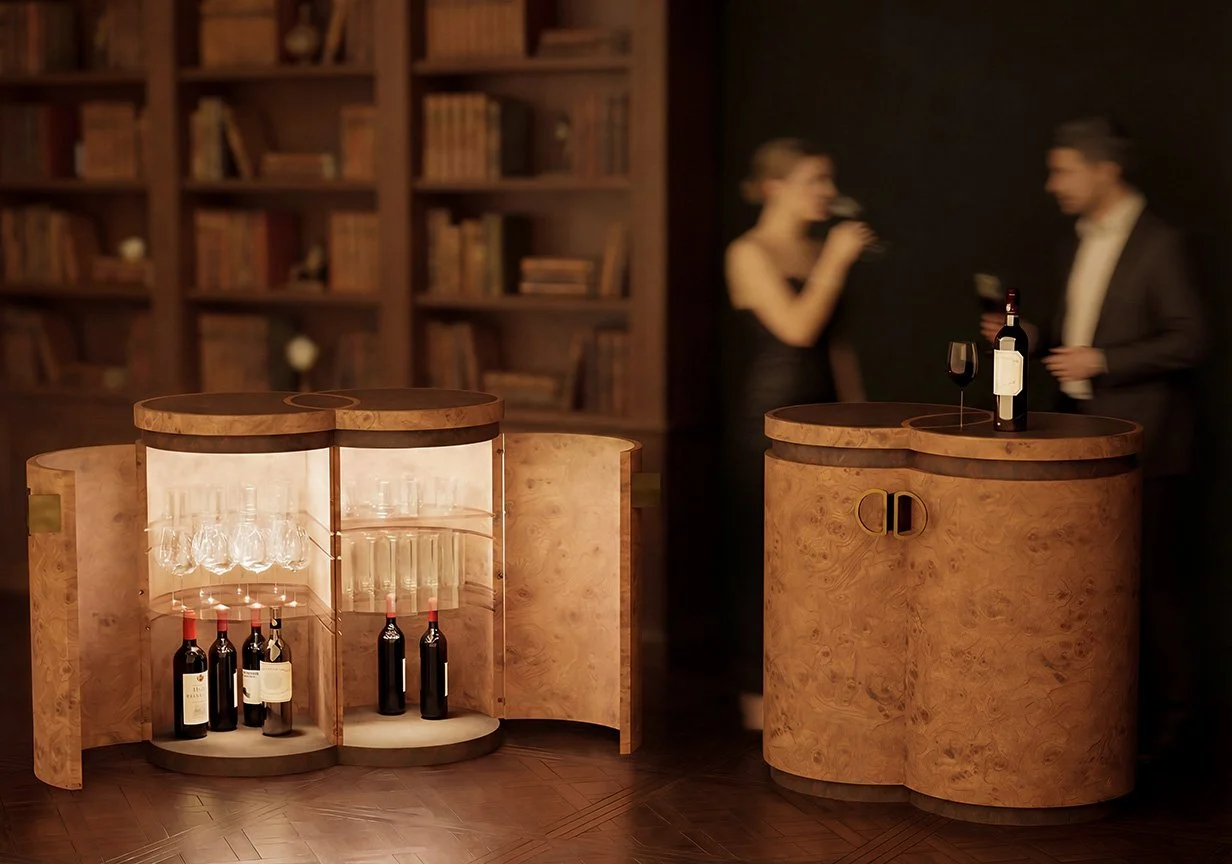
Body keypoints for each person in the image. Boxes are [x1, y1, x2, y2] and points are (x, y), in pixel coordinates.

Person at [979, 116, 1208, 763]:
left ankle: (1176, 730)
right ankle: (1108, 720)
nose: (1053, 185)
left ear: (1104, 170)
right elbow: (1079, 330)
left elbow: (1192, 338)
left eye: (1063, 170)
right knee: (1092, 588)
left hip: (1148, 444)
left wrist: (1102, 361)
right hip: (1082, 445)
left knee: (1155, 588)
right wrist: (1022, 332)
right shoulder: (1077, 240)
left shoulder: (1162, 243)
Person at [720, 138, 875, 730]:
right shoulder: (749, 251)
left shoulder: (814, 248)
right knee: (761, 559)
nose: (828, 194)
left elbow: (836, 346)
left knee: (826, 561)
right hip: (767, 421)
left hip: (825, 418)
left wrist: (863, 421)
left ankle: (816, 685)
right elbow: (797, 328)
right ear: (774, 187)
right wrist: (836, 262)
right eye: (816, 180)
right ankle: (756, 699)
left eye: (829, 180)